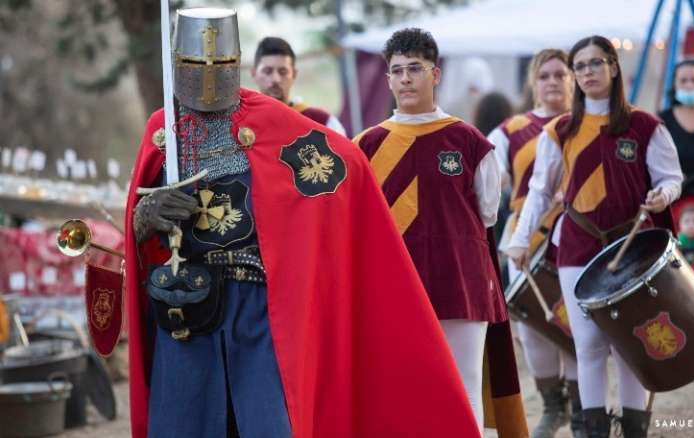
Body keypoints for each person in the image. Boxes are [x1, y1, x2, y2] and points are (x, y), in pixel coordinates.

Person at [125, 9, 482, 438]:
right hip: (184, 304)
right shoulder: (163, 130)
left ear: (235, 64)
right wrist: (146, 215)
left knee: (267, 424)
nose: (206, 76)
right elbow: (137, 229)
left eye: (217, 65)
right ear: (178, 65)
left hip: (256, 305)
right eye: (195, 66)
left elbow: (345, 166)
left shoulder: (270, 122)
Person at [506, 35, 683, 438]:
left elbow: (671, 177)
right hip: (577, 246)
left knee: (629, 342)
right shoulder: (560, 131)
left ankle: (635, 427)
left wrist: (664, 195)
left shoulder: (645, 125)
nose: (587, 72)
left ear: (614, 68)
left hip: (632, 247)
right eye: (580, 66)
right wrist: (520, 238)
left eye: (595, 64)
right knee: (587, 344)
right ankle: (595, 428)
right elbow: (538, 192)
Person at [353, 28, 524, 435]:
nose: (406, 78)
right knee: (400, 389)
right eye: (397, 70)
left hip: (461, 283)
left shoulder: (470, 142)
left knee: (463, 388)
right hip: (393, 286)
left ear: (436, 74)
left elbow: (485, 214)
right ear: (388, 78)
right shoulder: (365, 146)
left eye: (415, 68)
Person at [489, 48, 584, 438]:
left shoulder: (589, 124)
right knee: (532, 322)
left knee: (576, 325)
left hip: (579, 235)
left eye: (560, 74)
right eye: (544, 76)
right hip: (525, 238)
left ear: (572, 79)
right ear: (533, 82)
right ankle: (552, 406)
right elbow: (485, 178)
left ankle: (583, 410)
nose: (552, 82)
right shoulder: (511, 130)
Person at [251, 36, 347, 136]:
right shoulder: (242, 124)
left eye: (283, 72)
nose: (276, 79)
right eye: (267, 71)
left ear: (294, 74)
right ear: (254, 74)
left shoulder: (323, 122)